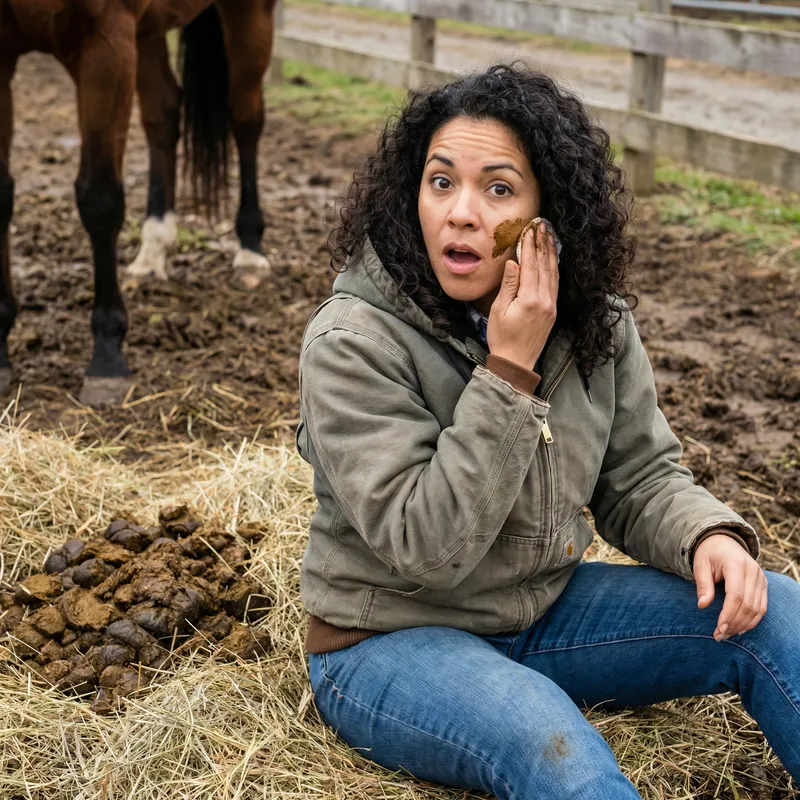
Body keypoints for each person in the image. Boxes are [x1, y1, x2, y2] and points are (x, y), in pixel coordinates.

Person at [294, 64, 800, 798]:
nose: (461, 213)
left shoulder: (592, 322)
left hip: (541, 612)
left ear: (547, 211)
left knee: (774, 611)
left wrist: (706, 536)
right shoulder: (353, 342)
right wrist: (507, 370)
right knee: (551, 741)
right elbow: (424, 549)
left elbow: (639, 476)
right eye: (441, 182)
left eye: (498, 188)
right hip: (389, 641)